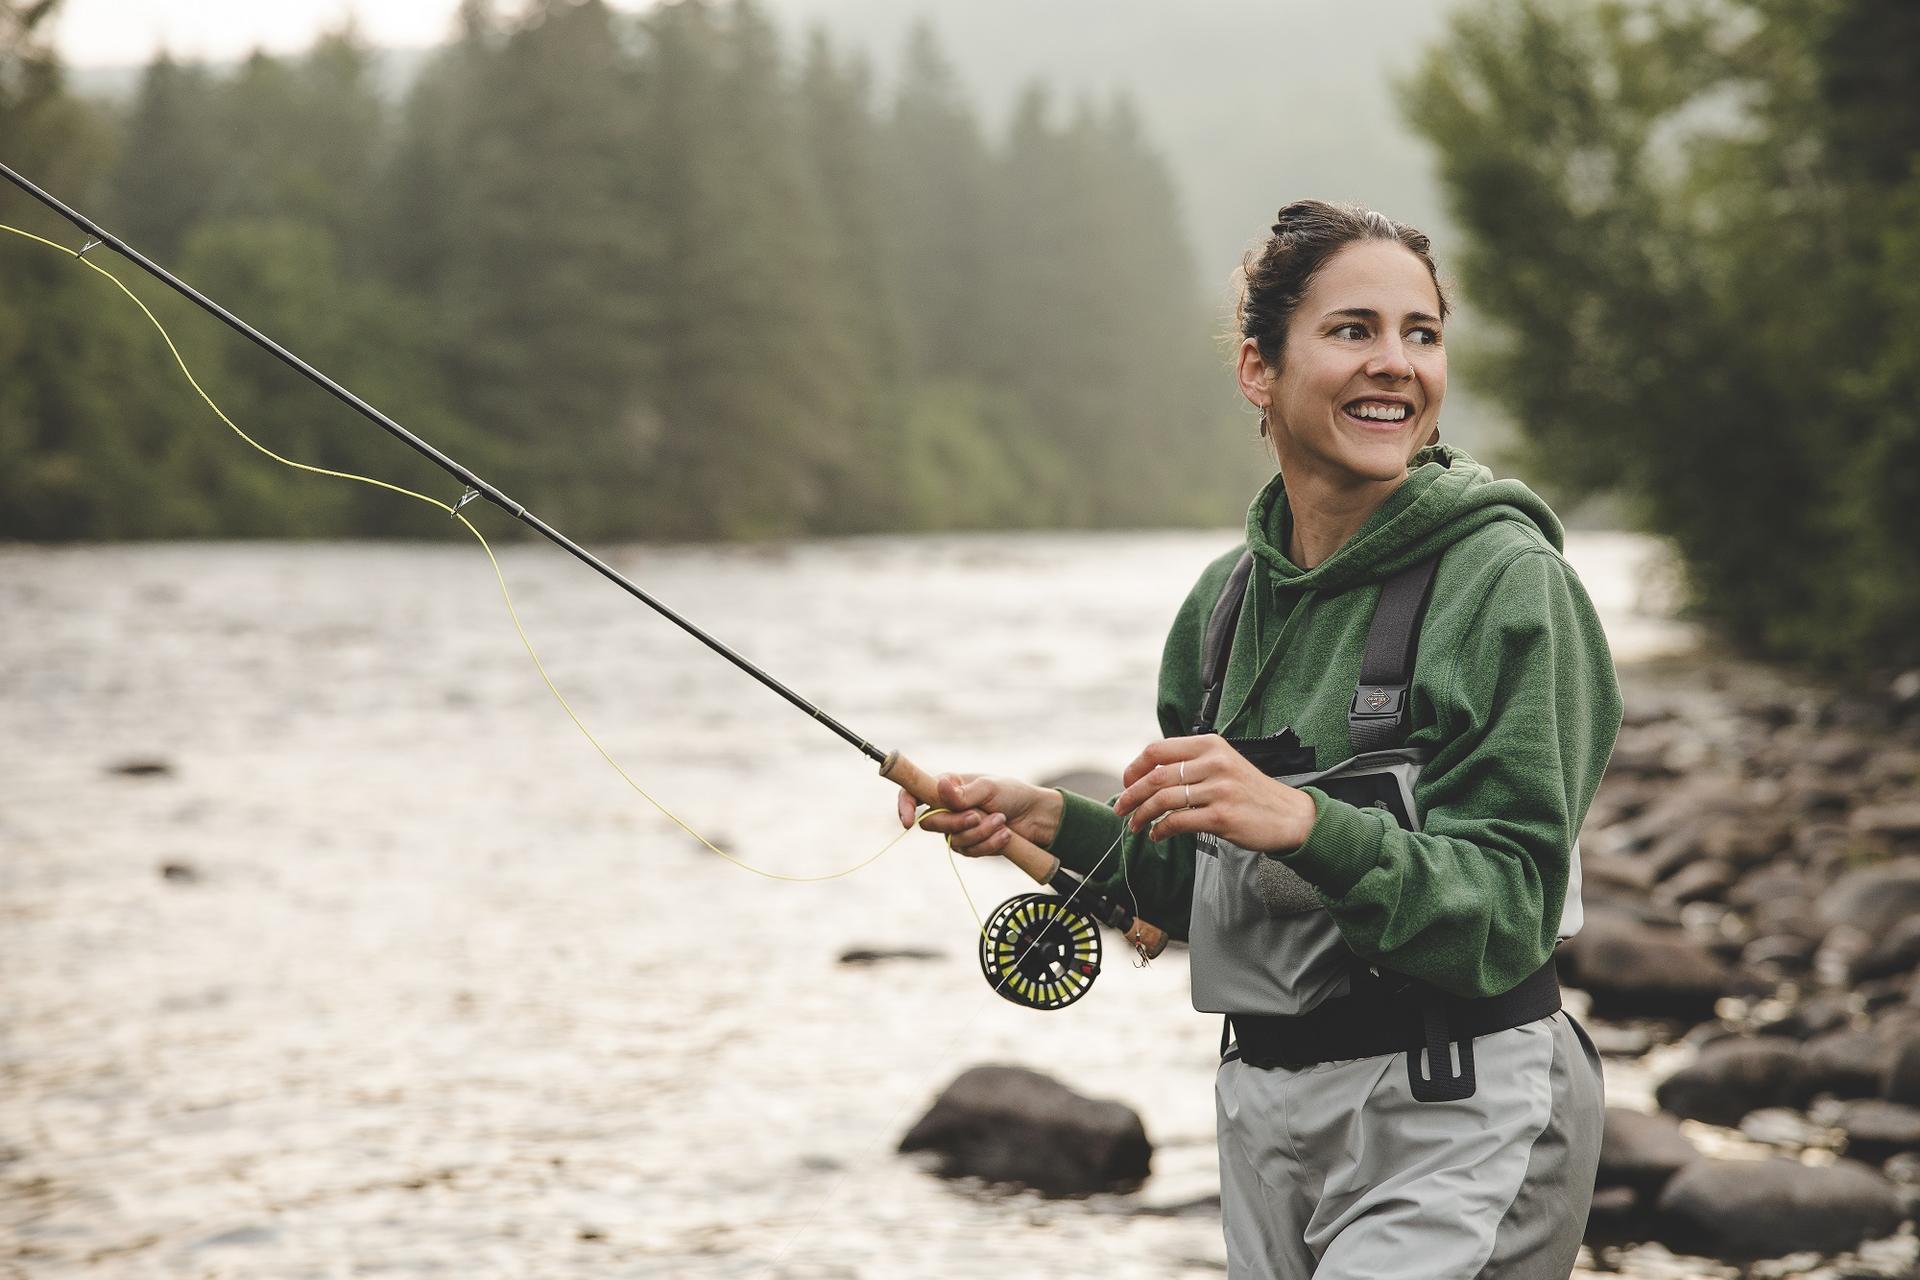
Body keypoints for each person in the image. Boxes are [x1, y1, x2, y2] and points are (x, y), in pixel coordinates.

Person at [897, 200, 1621, 1279]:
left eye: (1421, 332)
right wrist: (1049, 823)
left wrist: (1308, 822)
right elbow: (1213, 895)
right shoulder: (1221, 610)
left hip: (1459, 1105)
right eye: (1352, 330)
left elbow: (1509, 913)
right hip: (1263, 1115)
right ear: (1258, 369)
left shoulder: (1511, 588)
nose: (1398, 365)